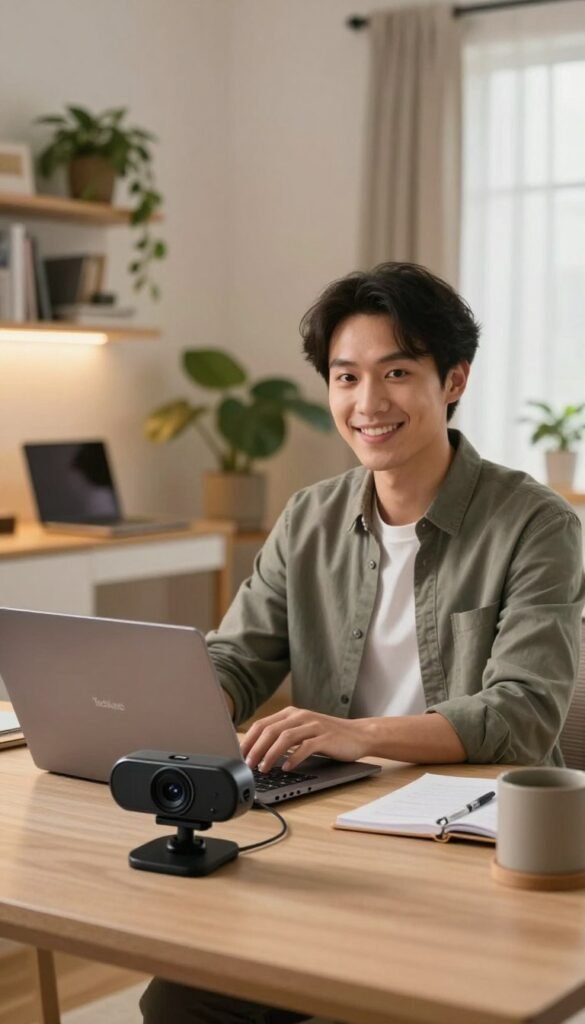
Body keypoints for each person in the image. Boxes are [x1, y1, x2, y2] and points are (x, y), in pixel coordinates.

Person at [140, 261, 585, 1024]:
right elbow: (238, 657)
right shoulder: (309, 517)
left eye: (396, 372)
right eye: (345, 377)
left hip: (470, 849)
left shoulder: (537, 525)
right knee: (183, 997)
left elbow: (520, 714)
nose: (367, 403)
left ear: (453, 381)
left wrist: (353, 735)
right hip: (322, 835)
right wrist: (184, 703)